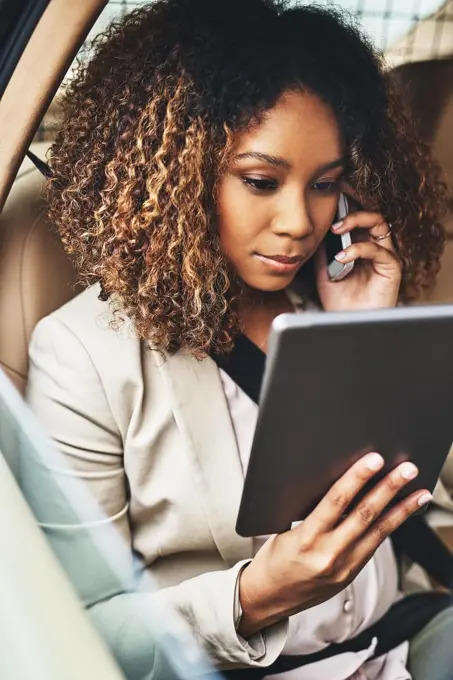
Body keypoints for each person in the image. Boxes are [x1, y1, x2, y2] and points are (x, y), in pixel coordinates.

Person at [25, 1, 453, 679]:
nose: (297, 222)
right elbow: (84, 624)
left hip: (394, 644)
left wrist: (360, 332)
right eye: (260, 181)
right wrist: (253, 597)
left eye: (324, 185)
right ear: (176, 172)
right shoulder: (84, 354)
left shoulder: (333, 296)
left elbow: (418, 487)